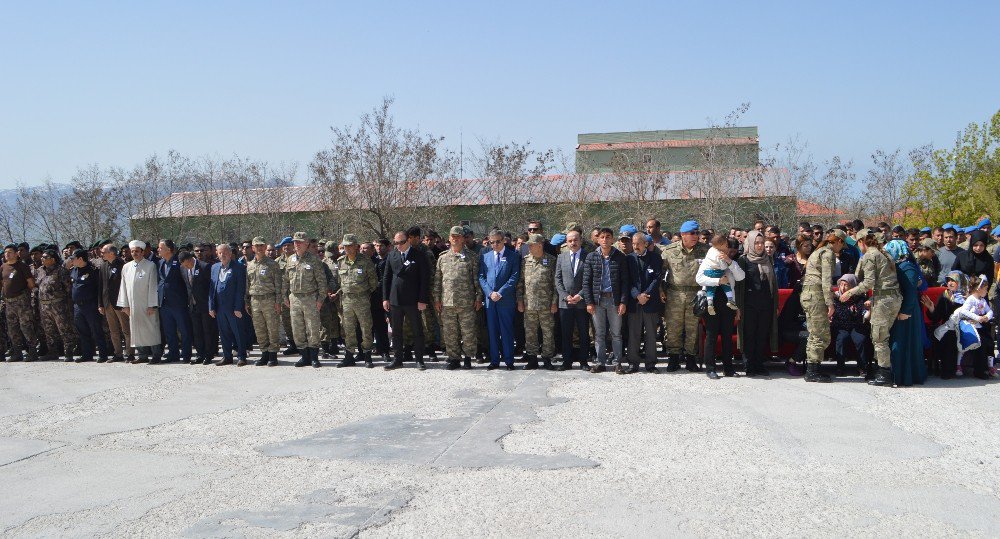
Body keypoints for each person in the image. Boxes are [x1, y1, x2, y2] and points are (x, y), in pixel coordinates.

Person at [840, 232, 902, 386]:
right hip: (892, 298)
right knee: (883, 337)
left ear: (862, 241)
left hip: (883, 300)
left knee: (879, 338)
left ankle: (885, 374)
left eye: (858, 244)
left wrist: (850, 292)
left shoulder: (870, 255)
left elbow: (867, 283)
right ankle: (881, 371)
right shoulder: (884, 253)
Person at [800, 229, 848, 382]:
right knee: (820, 335)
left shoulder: (819, 250)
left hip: (810, 294)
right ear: (839, 242)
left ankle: (813, 368)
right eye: (842, 245)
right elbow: (827, 281)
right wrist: (830, 303)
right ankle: (813, 371)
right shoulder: (828, 254)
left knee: (816, 333)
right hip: (816, 296)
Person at [661, 220, 710, 372]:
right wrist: (660, 290)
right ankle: (673, 359)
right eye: (692, 233)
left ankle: (691, 359)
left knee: (693, 328)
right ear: (683, 235)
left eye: (697, 233)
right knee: (673, 327)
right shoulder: (669, 250)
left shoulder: (705, 250)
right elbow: (660, 273)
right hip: (675, 294)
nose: (696, 236)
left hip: (696, 294)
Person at [434, 226, 482, 370]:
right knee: (450, 333)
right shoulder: (442, 258)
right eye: (452, 236)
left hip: (467, 302)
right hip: (447, 302)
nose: (455, 239)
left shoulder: (472, 257)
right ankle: (453, 358)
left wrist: (479, 297)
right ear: (449, 238)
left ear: (463, 238)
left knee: (468, 332)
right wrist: (436, 299)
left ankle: (468, 357)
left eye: (458, 236)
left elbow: (477, 279)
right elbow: (438, 280)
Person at [581, 227, 628, 373]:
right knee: (599, 333)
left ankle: (617, 362)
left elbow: (625, 282)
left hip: (614, 301)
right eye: (602, 237)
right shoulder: (591, 257)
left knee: (616, 333)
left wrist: (623, 302)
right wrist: (589, 302)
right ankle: (600, 362)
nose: (605, 239)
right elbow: (586, 282)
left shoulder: (620, 257)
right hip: (598, 301)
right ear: (598, 239)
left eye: (608, 237)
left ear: (612, 239)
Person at [697, 237, 745, 379]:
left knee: (727, 336)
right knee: (711, 335)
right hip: (712, 303)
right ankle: (710, 368)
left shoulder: (730, 262)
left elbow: (741, 276)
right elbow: (699, 279)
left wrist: (730, 262)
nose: (726, 250)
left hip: (728, 303)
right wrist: (718, 281)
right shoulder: (708, 260)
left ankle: (728, 368)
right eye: (724, 247)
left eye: (728, 248)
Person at [383, 230, 430, 370]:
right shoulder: (392, 255)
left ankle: (419, 359)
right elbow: (386, 277)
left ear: (408, 241)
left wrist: (422, 299)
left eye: (401, 242)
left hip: (413, 300)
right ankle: (397, 359)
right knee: (396, 331)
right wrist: (385, 298)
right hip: (395, 299)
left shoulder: (419, 255)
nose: (398, 245)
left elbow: (424, 279)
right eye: (396, 243)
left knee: (417, 330)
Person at [884, 240, 928, 386]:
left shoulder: (907, 266)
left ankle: (903, 376)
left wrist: (905, 311)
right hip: (901, 308)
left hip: (907, 311)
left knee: (903, 342)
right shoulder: (898, 265)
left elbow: (910, 291)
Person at [735, 230, 778, 377]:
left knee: (762, 335)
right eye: (756, 243)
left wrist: (775, 304)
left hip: (766, 304)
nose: (759, 246)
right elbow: (739, 285)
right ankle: (749, 365)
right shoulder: (744, 260)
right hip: (749, 304)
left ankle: (759, 364)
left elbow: (773, 284)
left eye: (761, 243)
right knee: (749, 334)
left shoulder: (768, 259)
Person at [283, 231, 327, 368]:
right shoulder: (290, 260)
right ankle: (304, 356)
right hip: (294, 298)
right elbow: (285, 280)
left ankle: (314, 357)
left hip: (310, 298)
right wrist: (284, 296)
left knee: (312, 328)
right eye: (295, 242)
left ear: (307, 244)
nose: (297, 244)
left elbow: (322, 282)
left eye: (300, 242)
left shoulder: (314, 260)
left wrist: (320, 299)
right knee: (297, 329)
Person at [478, 229, 521, 370]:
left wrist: (500, 293)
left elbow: (514, 277)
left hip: (505, 300)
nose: (495, 244)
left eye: (498, 241)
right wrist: (490, 293)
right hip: (490, 301)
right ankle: (494, 360)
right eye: (492, 242)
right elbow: (481, 277)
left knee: (506, 331)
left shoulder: (513, 256)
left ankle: (509, 361)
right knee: (492, 331)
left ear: (503, 240)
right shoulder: (485, 257)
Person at [335, 234, 378, 368]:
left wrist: (363, 293)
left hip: (362, 299)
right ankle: (349, 355)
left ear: (356, 247)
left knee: (366, 327)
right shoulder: (341, 261)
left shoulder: (365, 261)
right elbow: (339, 282)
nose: (347, 248)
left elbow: (373, 283)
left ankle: (367, 355)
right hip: (347, 300)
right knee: (348, 329)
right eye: (345, 246)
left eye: (349, 246)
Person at [516, 233, 558, 370]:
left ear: (540, 245)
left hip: (546, 305)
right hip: (529, 304)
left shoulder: (551, 260)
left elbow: (556, 284)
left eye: (531, 245)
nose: (529, 248)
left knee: (548, 333)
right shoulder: (526, 261)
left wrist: (554, 302)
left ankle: (547, 359)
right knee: (530, 332)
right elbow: (520, 283)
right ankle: (532, 359)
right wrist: (520, 301)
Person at [118, 240, 162, 364]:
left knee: (151, 329)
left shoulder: (150, 265)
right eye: (132, 251)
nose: (134, 253)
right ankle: (142, 355)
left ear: (142, 252)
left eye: (137, 251)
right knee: (136, 330)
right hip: (133, 306)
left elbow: (153, 286)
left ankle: (156, 355)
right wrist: (124, 305)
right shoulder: (126, 267)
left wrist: (152, 305)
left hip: (147, 305)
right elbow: (123, 286)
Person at [624, 233, 662, 373]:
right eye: (633, 244)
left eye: (638, 244)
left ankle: (651, 364)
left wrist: (646, 294)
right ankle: (633, 363)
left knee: (651, 334)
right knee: (634, 333)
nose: (635, 246)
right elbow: (627, 281)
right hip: (635, 302)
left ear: (645, 243)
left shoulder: (655, 258)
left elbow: (657, 278)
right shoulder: (628, 259)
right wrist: (637, 295)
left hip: (650, 301)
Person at [555, 230, 590, 371]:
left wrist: (580, 295)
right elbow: (557, 279)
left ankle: (583, 362)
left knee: (583, 333)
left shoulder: (588, 256)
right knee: (566, 333)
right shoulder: (561, 257)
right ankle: (567, 362)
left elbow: (589, 279)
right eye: (570, 241)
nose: (573, 243)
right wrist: (565, 295)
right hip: (565, 303)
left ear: (580, 240)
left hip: (582, 303)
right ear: (566, 243)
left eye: (575, 240)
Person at [33, 249, 76, 361]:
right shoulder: (40, 271)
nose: (42, 259)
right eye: (42, 257)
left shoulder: (60, 271)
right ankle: (52, 352)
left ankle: (69, 352)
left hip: (58, 305)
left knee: (64, 329)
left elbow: (68, 288)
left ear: (52, 259)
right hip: (44, 306)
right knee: (48, 330)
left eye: (44, 257)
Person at [208, 244, 247, 366]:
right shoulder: (214, 268)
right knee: (223, 333)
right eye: (220, 253)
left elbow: (240, 289)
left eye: (225, 252)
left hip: (233, 307)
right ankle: (227, 356)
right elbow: (211, 289)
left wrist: (238, 307)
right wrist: (211, 306)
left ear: (230, 254)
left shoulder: (239, 268)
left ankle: (242, 356)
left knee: (238, 332)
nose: (222, 255)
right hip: (220, 307)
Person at [245, 237, 282, 367]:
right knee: (259, 329)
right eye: (256, 246)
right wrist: (246, 301)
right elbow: (247, 285)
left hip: (269, 299)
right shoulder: (249, 265)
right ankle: (264, 353)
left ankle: (273, 355)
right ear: (253, 248)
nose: (259, 248)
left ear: (265, 247)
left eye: (261, 245)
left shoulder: (272, 264)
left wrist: (278, 302)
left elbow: (278, 285)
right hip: (255, 300)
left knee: (272, 328)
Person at [69, 249, 109, 363]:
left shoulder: (92, 271)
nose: (71, 260)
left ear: (81, 259)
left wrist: (99, 304)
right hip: (78, 306)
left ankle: (103, 354)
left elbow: (99, 288)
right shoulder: (73, 271)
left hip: (90, 304)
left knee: (96, 329)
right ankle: (87, 354)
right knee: (82, 330)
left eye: (73, 258)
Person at [924, 271, 967, 379]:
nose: (950, 283)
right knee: (947, 337)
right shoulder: (945, 295)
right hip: (949, 328)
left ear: (960, 282)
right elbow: (937, 317)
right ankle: (948, 369)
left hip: (964, 326)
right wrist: (931, 308)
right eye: (948, 280)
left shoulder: (967, 297)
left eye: (953, 280)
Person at [156, 239, 193, 363]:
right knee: (169, 330)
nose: (158, 250)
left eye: (161, 248)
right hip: (164, 302)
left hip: (179, 302)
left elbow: (187, 282)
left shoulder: (179, 262)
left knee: (184, 330)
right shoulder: (160, 263)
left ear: (169, 249)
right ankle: (173, 353)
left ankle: (186, 354)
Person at [2, 244, 38, 362]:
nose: (7, 254)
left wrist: (24, 296)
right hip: (9, 302)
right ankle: (17, 352)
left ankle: (32, 351)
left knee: (26, 326)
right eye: (6, 252)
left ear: (16, 253)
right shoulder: (3, 267)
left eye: (10, 252)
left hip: (21, 301)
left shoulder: (22, 266)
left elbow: (31, 283)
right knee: (12, 328)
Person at [98, 244, 131, 363]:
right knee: (113, 330)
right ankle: (118, 354)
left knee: (126, 329)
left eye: (104, 252)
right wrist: (100, 304)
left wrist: (126, 302)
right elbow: (101, 286)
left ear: (111, 253)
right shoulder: (103, 266)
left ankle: (130, 353)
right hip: (107, 303)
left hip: (120, 302)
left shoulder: (123, 265)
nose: (101, 254)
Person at [180, 250, 214, 364]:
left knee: (207, 331)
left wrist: (211, 305)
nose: (185, 267)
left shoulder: (204, 267)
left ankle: (209, 355)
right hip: (193, 305)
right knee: (197, 332)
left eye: (186, 264)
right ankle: (200, 354)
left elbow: (210, 287)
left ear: (190, 259)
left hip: (204, 305)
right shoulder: (183, 269)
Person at [956, 274, 993, 380]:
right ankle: (979, 370)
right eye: (985, 289)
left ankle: (989, 366)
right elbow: (963, 310)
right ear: (979, 289)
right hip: (969, 326)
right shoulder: (971, 299)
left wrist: (986, 316)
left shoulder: (982, 301)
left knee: (989, 342)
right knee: (980, 344)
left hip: (979, 326)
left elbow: (990, 311)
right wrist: (977, 317)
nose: (986, 291)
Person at [832, 274, 868, 376]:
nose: (843, 288)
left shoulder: (859, 297)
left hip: (856, 325)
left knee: (860, 340)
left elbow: (860, 313)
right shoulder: (836, 297)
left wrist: (857, 312)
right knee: (841, 339)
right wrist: (850, 311)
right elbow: (839, 315)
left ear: (852, 287)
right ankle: (840, 367)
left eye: (846, 285)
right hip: (841, 325)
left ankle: (862, 367)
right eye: (841, 285)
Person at [700, 234, 739, 316]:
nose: (730, 254)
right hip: (717, 277)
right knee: (726, 285)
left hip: (726, 308)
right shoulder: (719, 254)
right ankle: (729, 300)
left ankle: (711, 303)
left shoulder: (738, 260)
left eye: (734, 252)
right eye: (729, 250)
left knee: (711, 289)